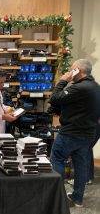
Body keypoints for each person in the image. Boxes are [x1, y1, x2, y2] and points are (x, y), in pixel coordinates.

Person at [49, 59, 100, 207]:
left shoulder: (79, 88)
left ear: (78, 70)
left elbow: (54, 98)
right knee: (80, 165)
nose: (70, 72)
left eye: (72, 69)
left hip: (71, 133)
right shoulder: (95, 87)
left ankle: (56, 197)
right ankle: (78, 198)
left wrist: (63, 81)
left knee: (57, 159)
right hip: (88, 133)